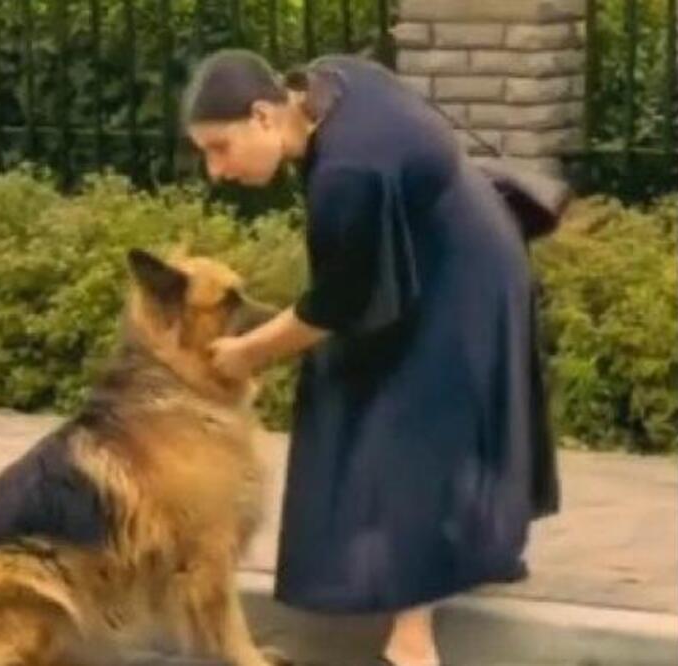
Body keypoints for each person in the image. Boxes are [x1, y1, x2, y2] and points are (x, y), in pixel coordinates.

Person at [180, 50, 560, 666]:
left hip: (462, 275)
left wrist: (246, 353)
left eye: (219, 148)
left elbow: (334, 306)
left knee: (408, 425)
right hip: (447, 244)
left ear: (263, 116)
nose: (215, 170)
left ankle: (412, 644)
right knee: (359, 391)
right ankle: (464, 554)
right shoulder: (331, 80)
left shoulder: (347, 170)